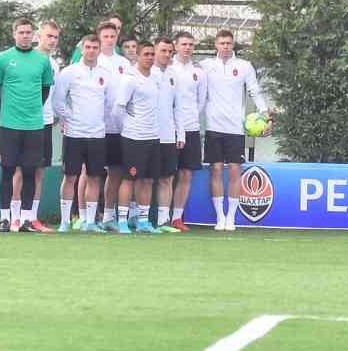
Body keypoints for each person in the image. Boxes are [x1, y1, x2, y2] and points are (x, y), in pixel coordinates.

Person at [201, 29, 272, 232]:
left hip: (235, 128)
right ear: (216, 45)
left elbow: (255, 92)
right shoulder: (206, 66)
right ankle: (220, 217)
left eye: (229, 43)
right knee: (215, 170)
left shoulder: (244, 66)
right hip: (213, 126)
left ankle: (231, 216)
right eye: (222, 43)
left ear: (233, 45)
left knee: (234, 170)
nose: (225, 46)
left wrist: (267, 117)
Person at [0, 18, 56, 233]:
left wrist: (32, 110)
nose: (25, 36)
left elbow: (45, 90)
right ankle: (5, 219)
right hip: (9, 125)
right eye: (21, 32)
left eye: (28, 32)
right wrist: (6, 111)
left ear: (33, 35)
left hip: (34, 125)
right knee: (7, 170)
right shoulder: (2, 59)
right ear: (14, 34)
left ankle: (27, 219)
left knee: (29, 171)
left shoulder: (42, 61)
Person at [51, 34, 116, 232]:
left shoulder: (106, 74)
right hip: (74, 134)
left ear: (99, 49)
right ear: (82, 49)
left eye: (95, 47)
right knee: (70, 177)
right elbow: (58, 102)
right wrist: (71, 119)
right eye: (87, 47)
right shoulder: (69, 72)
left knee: (95, 177)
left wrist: (98, 122)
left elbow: (109, 104)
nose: (91, 51)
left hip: (97, 135)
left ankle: (89, 222)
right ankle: (64, 221)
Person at [115, 39, 180, 234]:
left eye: (152, 54)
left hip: (153, 137)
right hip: (133, 138)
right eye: (147, 54)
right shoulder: (130, 79)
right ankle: (122, 221)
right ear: (138, 56)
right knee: (129, 179)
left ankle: (143, 221)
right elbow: (118, 108)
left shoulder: (155, 79)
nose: (150, 58)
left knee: (148, 180)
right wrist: (128, 128)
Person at [94, 20, 135, 230]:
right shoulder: (94, 61)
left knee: (116, 173)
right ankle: (86, 217)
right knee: (91, 173)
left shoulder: (124, 64)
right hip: (97, 128)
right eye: (105, 36)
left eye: (112, 36)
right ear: (99, 38)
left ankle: (109, 216)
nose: (109, 40)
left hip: (120, 129)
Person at [167, 30, 208, 231]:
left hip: (191, 129)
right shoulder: (167, 69)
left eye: (191, 44)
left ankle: (176, 218)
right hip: (169, 129)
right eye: (184, 44)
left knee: (186, 174)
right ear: (176, 46)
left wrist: (188, 119)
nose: (187, 48)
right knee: (165, 175)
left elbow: (201, 101)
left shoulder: (199, 73)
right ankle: (160, 218)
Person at [28, 20, 62, 224]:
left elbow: (55, 96)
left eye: (55, 37)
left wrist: (59, 115)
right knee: (22, 171)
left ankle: (32, 218)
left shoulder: (54, 64)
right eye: (48, 36)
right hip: (26, 123)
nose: (52, 40)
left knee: (39, 171)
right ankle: (15, 217)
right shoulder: (29, 59)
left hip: (46, 123)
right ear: (38, 36)